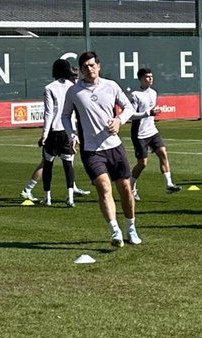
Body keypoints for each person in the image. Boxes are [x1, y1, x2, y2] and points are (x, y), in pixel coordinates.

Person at [60, 50, 142, 246]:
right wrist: (72, 134)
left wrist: (119, 120)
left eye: (92, 65)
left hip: (114, 146)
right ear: (80, 70)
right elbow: (65, 116)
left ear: (99, 66)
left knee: (125, 189)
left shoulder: (111, 86)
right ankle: (114, 230)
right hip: (91, 150)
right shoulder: (74, 91)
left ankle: (131, 227)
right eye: (85, 67)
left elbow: (129, 107)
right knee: (104, 187)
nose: (89, 69)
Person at [33, 57, 87, 207]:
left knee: (48, 164)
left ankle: (47, 197)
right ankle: (70, 196)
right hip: (67, 130)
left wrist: (44, 134)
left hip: (53, 130)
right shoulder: (73, 86)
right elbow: (75, 111)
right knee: (68, 164)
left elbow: (49, 113)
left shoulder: (50, 88)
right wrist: (74, 133)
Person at [129, 67, 182, 197]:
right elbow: (131, 115)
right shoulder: (135, 95)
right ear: (141, 79)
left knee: (163, 153)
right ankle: (130, 187)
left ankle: (169, 184)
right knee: (142, 163)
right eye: (147, 77)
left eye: (151, 76)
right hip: (139, 133)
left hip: (152, 130)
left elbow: (152, 111)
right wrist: (149, 113)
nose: (150, 79)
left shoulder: (153, 93)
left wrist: (154, 112)